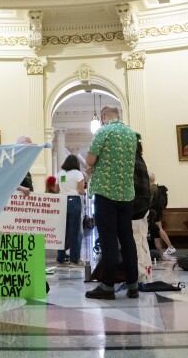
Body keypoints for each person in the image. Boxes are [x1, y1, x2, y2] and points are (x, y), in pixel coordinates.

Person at [85, 106, 139, 300]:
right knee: (127, 239)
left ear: (103, 116)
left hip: (106, 192)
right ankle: (133, 284)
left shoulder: (104, 131)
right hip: (126, 193)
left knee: (108, 240)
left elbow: (91, 160)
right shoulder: (132, 134)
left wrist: (92, 167)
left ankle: (107, 286)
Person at [53, 154, 85, 267]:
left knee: (62, 231)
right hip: (74, 201)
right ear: (76, 163)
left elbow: (56, 189)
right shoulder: (78, 174)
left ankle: (60, 259)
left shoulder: (60, 174)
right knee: (74, 232)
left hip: (62, 201)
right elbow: (81, 191)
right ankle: (74, 260)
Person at [131, 134, 153, 284]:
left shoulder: (131, 160)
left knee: (137, 242)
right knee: (142, 240)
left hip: (136, 207)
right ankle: (146, 276)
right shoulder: (140, 159)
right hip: (144, 205)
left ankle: (141, 278)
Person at [149, 172, 175, 256]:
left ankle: (170, 247)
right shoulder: (156, 187)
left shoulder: (152, 189)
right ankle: (170, 247)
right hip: (158, 211)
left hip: (154, 212)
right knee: (159, 229)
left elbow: (149, 201)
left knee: (159, 229)